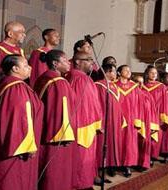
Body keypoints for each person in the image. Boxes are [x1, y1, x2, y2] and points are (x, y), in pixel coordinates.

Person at [0, 54, 43, 190]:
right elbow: (20, 118)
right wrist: (26, 145)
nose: (30, 68)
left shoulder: (5, 82)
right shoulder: (16, 87)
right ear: (15, 68)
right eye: (26, 65)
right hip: (11, 146)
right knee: (10, 182)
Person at [34, 50, 75, 190]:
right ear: (55, 64)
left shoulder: (43, 77)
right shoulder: (59, 82)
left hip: (41, 129)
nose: (69, 62)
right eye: (65, 60)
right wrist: (64, 135)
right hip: (55, 136)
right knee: (55, 173)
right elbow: (59, 112)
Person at [65, 51, 102, 190]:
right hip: (83, 126)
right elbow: (84, 107)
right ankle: (82, 186)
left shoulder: (75, 76)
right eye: (88, 60)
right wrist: (94, 124)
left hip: (81, 125)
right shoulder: (81, 79)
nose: (91, 62)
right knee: (82, 159)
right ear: (77, 62)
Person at [95, 63, 125, 183]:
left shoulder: (113, 86)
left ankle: (104, 172)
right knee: (101, 147)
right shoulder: (99, 85)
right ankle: (96, 173)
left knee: (109, 147)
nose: (115, 74)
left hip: (114, 122)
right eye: (113, 71)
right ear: (107, 72)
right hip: (105, 121)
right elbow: (98, 105)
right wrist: (100, 123)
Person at [142, 65, 168, 164]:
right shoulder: (142, 86)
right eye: (151, 73)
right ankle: (145, 157)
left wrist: (163, 117)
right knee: (145, 137)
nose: (154, 75)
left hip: (157, 114)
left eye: (155, 73)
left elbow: (164, 102)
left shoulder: (161, 87)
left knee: (155, 137)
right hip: (145, 115)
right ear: (147, 74)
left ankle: (152, 157)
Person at [115, 65, 140, 177]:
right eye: (126, 70)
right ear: (119, 72)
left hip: (130, 118)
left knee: (129, 142)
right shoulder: (113, 85)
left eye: (130, 70)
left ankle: (127, 165)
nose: (129, 72)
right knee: (117, 140)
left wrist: (138, 120)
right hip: (117, 118)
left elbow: (139, 104)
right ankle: (115, 164)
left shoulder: (134, 86)